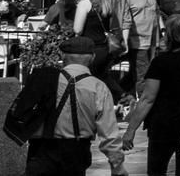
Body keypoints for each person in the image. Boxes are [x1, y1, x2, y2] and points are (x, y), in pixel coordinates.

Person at [123, 13, 180, 176]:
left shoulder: (161, 62)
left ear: (171, 35)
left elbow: (147, 99)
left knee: (156, 170)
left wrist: (131, 130)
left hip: (163, 125)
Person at [30, 34, 126, 176]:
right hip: (76, 150)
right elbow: (108, 132)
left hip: (41, 150)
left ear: (62, 55)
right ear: (92, 57)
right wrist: (116, 164)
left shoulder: (45, 80)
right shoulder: (98, 87)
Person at [121, 0, 162, 91]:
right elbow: (123, 19)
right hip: (137, 41)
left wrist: (163, 30)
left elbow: (157, 12)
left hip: (153, 40)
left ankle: (123, 94)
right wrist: (124, 41)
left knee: (143, 71)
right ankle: (142, 98)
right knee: (143, 74)